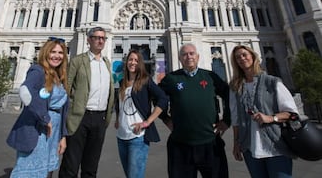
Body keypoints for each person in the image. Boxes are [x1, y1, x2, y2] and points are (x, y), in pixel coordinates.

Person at [159, 43, 231, 178]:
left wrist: (227, 120)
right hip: (180, 145)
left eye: (192, 53)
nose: (189, 57)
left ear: (198, 57)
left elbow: (229, 95)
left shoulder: (210, 77)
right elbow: (156, 96)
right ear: (180, 59)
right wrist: (165, 118)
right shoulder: (171, 79)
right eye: (184, 54)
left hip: (210, 143)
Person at [229, 45, 298, 178]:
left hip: (275, 146)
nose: (242, 59)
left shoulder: (272, 82)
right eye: (238, 57)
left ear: (253, 56)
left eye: (244, 54)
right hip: (250, 148)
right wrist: (236, 143)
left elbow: (292, 113)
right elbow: (235, 118)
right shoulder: (235, 87)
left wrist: (271, 118)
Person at [7, 38, 69, 178]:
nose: (57, 56)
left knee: (47, 170)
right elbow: (25, 91)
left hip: (54, 132)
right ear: (46, 53)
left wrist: (62, 136)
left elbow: (63, 109)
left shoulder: (59, 76)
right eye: (53, 52)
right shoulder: (38, 70)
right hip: (38, 129)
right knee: (31, 170)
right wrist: (44, 117)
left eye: (60, 53)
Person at [59, 27, 115, 178]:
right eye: (96, 37)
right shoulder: (78, 61)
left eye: (103, 38)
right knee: (71, 163)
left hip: (100, 118)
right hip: (80, 116)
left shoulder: (106, 63)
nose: (100, 40)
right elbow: (66, 88)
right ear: (89, 40)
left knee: (91, 165)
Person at [114, 49, 168, 178]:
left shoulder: (145, 81)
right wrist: (117, 119)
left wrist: (147, 122)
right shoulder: (122, 82)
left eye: (136, 60)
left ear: (140, 64)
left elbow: (163, 98)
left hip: (138, 137)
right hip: (121, 136)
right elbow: (120, 103)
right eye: (130, 60)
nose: (132, 63)